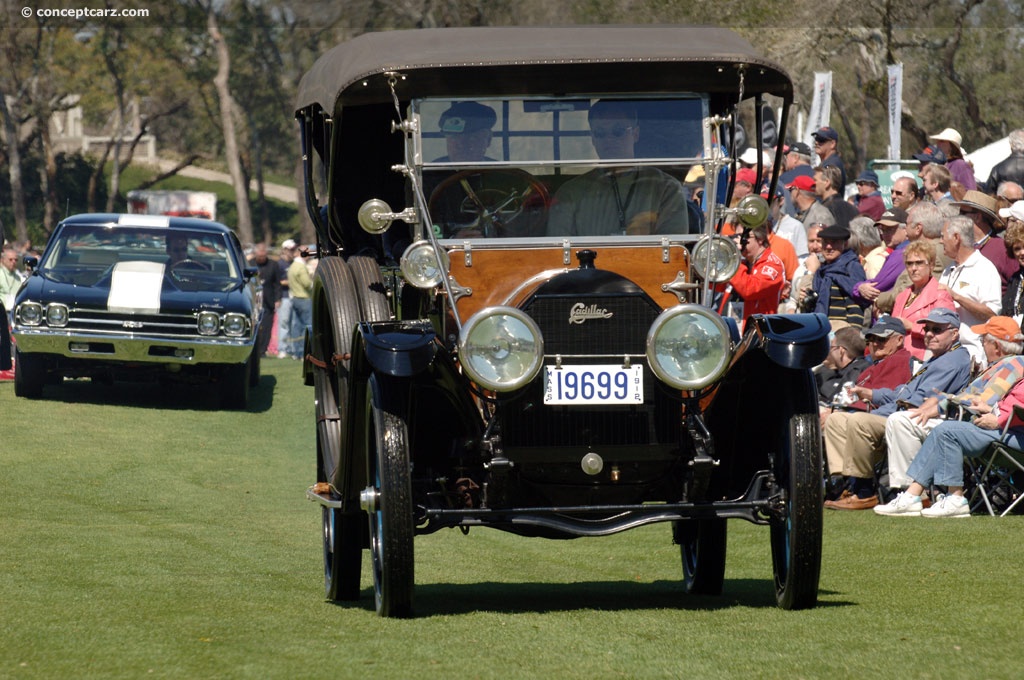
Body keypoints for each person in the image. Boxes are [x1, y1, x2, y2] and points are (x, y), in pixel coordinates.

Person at [822, 307, 971, 510]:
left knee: (859, 420)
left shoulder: (952, 359)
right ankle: (844, 484)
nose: (929, 334)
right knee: (836, 420)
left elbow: (916, 401)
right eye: (927, 329)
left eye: (937, 330)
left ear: (954, 334)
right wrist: (872, 394)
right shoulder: (937, 358)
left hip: (926, 417)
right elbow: (902, 392)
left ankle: (866, 492)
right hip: (902, 412)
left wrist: (875, 410)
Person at [883, 316, 1024, 496]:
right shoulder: (999, 365)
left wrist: (945, 401)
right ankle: (913, 491)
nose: (981, 344)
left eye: (983, 340)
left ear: (996, 346)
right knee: (903, 420)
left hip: (973, 425)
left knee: (902, 420)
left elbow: (981, 402)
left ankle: (912, 492)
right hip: (966, 423)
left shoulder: (1012, 364)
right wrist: (939, 404)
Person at [875, 374, 1024, 518]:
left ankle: (955, 499)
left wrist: (1000, 421)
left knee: (948, 432)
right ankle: (912, 496)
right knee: (944, 429)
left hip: (1014, 437)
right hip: (1005, 431)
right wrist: (989, 409)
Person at [547, 100, 689, 236]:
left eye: (618, 131)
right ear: (593, 139)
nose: (609, 139)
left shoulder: (665, 188)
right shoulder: (570, 193)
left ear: (636, 134)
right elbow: (557, 251)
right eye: (600, 133)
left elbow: (673, 250)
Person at [822, 316, 913, 497]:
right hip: (864, 415)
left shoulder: (900, 361)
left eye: (881, 339)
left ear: (899, 340)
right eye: (871, 339)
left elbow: (896, 399)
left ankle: (862, 489)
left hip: (887, 418)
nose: (875, 344)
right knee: (834, 420)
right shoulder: (872, 366)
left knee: (853, 419)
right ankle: (840, 481)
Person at [938, 215, 1002, 365]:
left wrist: (956, 297)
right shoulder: (948, 269)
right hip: (945, 354)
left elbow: (992, 314)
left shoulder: (984, 269)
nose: (940, 241)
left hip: (972, 355)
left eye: (943, 237)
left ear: (956, 238)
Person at [875, 202, 950, 315]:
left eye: (907, 224)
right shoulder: (929, 250)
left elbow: (911, 292)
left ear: (918, 228)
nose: (905, 228)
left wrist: (877, 300)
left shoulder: (933, 254)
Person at [891, 240, 955, 361]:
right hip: (898, 359)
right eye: (909, 264)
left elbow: (947, 332)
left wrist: (911, 327)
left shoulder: (940, 294)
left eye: (919, 263)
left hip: (924, 360)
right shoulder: (902, 296)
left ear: (931, 265)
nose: (913, 268)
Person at [807, 223, 868, 328]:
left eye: (834, 242)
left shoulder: (851, 267)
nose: (829, 247)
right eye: (825, 242)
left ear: (845, 244)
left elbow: (857, 302)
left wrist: (852, 335)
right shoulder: (821, 270)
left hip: (842, 333)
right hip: (822, 330)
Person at [954, 190, 1016, 291]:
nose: (958, 217)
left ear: (978, 217)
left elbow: (1016, 284)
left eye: (963, 213)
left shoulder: (1002, 249)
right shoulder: (961, 246)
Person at [727, 224, 786, 327]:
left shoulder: (773, 265)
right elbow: (716, 285)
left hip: (758, 332)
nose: (739, 241)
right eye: (737, 236)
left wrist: (734, 257)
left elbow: (749, 289)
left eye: (744, 236)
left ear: (760, 239)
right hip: (732, 328)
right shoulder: (742, 263)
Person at [854, 208, 911, 307]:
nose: (885, 234)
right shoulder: (899, 251)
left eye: (890, 229)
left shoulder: (901, 253)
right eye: (883, 230)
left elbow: (876, 286)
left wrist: (857, 287)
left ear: (905, 230)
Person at [815, 326, 871, 408]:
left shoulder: (857, 370)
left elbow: (835, 399)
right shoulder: (860, 365)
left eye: (831, 347)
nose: (828, 351)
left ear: (841, 351)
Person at [252, 244, 281, 358]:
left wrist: (278, 299)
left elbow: (277, 283)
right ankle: (254, 349)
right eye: (259, 256)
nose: (261, 258)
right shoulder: (250, 264)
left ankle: (263, 350)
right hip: (254, 300)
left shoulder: (273, 265)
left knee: (267, 326)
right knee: (255, 326)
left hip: (268, 299)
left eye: (263, 256)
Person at [287, 245, 313, 360]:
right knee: (307, 326)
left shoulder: (293, 266)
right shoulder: (301, 267)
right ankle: (304, 352)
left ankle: (295, 352)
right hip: (304, 298)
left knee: (297, 326)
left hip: (295, 298)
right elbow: (307, 284)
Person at [815, 165, 858, 230]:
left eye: (815, 180)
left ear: (827, 183)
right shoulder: (853, 209)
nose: (812, 184)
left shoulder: (824, 210)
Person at [983, 129, 1024, 194]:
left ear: (1011, 145)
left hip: (1008, 203)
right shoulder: (997, 169)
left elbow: (989, 195)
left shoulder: (997, 169)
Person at [276, 239, 296, 359]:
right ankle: (282, 349)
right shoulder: (280, 264)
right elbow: (278, 281)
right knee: (284, 323)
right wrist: (292, 282)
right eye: (290, 249)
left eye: (293, 249)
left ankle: (293, 349)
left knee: (294, 324)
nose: (293, 252)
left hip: (294, 296)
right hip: (284, 297)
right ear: (284, 250)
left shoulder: (294, 263)